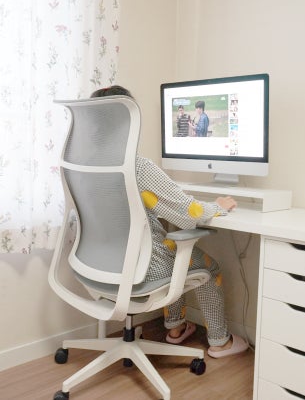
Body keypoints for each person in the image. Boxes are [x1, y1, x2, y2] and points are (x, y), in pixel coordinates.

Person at [89, 85, 249, 358]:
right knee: (207, 267)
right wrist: (218, 206)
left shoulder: (86, 166)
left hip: (99, 266)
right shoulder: (137, 167)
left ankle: (176, 329)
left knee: (171, 249)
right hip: (142, 269)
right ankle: (220, 341)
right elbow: (188, 213)